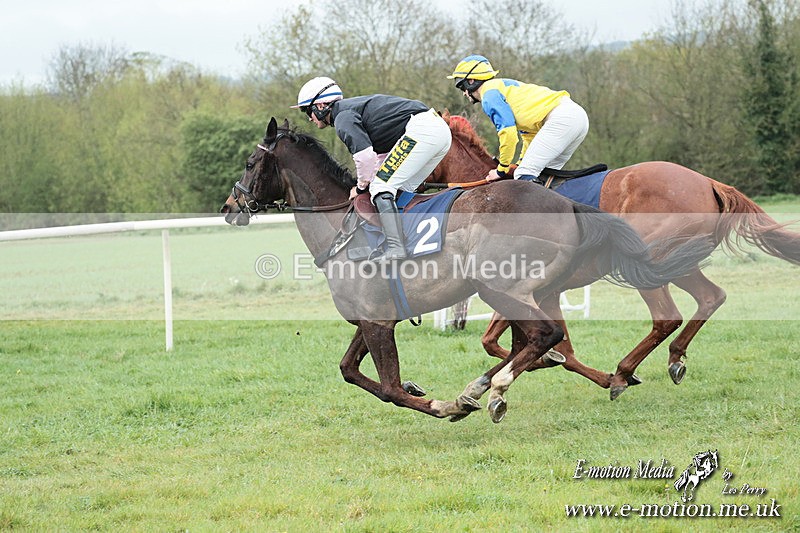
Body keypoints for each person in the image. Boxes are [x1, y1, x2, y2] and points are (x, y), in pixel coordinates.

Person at [292, 77, 451, 261]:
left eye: (307, 111)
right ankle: (411, 239)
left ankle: (396, 248)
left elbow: (365, 157)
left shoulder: (342, 117)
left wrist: (360, 187)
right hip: (437, 131)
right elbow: (379, 158)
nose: (309, 118)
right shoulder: (351, 110)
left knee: (380, 187)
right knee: (400, 189)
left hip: (425, 131)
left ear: (320, 106)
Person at [448, 55, 589, 185]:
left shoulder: (489, 96)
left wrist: (501, 169)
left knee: (524, 174)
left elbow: (508, 134)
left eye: (462, 86)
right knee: (543, 176)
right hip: (576, 118)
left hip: (562, 119)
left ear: (471, 81)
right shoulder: (500, 87)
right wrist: (520, 162)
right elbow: (529, 135)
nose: (464, 93)